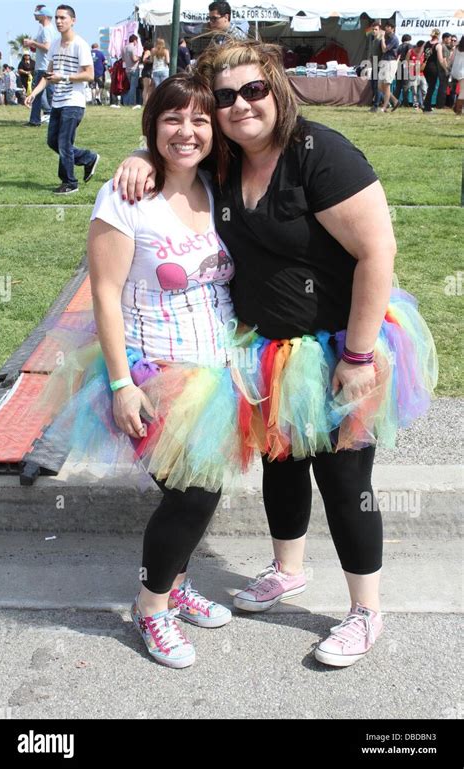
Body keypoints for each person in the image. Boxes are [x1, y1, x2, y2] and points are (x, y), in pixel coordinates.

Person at [113, 40, 437, 668]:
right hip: (265, 352)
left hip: (340, 345)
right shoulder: (227, 160)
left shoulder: (322, 154)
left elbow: (378, 253)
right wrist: (140, 155)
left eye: (254, 90)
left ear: (278, 89)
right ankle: (288, 569)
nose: (241, 105)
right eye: (225, 96)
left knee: (345, 480)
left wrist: (358, 357)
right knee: (282, 466)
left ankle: (365, 611)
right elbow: (178, 146)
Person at [26, 72, 251, 669]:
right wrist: (123, 384)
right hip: (153, 375)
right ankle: (151, 608)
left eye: (199, 119)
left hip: (219, 373)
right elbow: (103, 293)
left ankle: (174, 584)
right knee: (191, 497)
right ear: (152, 125)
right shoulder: (125, 198)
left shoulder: (217, 186)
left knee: (202, 491)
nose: (187, 131)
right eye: (172, 118)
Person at [25, 4, 100, 195]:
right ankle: (88, 158)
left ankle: (69, 183)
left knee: (64, 143)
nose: (59, 21)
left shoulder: (80, 45)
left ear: (73, 21)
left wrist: (64, 78)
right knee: (53, 141)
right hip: (57, 101)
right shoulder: (55, 45)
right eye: (57, 18)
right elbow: (48, 75)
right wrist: (34, 93)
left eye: (63, 18)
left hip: (73, 102)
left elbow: (89, 75)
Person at [24, 5, 57, 126]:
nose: (35, 16)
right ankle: (52, 117)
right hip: (47, 65)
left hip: (43, 66)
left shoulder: (46, 30)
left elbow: (47, 47)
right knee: (51, 94)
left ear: (44, 16)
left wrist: (32, 42)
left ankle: (35, 120)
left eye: (38, 14)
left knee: (37, 95)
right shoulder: (50, 29)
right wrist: (33, 45)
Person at [378, 21, 400, 112]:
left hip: (390, 62)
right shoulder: (388, 38)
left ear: (392, 28)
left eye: (388, 27)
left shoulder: (394, 38)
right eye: (386, 26)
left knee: (386, 85)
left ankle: (385, 106)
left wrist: (382, 38)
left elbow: (384, 49)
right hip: (384, 61)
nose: (386, 28)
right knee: (380, 86)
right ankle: (395, 101)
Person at [422, 29, 441, 112]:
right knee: (431, 87)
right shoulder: (438, 45)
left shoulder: (426, 43)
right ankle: (426, 106)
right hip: (433, 67)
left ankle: (426, 105)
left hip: (425, 67)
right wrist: (446, 68)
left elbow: (420, 55)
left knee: (430, 86)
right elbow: (440, 59)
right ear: (438, 35)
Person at [366, 21, 383, 112]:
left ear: (379, 30)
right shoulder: (373, 40)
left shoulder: (381, 40)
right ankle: (388, 101)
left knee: (377, 86)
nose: (374, 31)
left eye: (376, 29)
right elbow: (372, 53)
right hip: (374, 64)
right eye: (373, 29)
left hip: (380, 64)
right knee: (373, 85)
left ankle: (376, 105)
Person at [406, 40, 427, 109]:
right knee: (414, 90)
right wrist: (413, 66)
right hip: (413, 74)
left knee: (424, 90)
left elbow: (425, 62)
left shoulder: (424, 53)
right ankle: (416, 104)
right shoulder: (410, 52)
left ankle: (425, 104)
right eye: (422, 47)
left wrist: (421, 67)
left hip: (422, 74)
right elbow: (406, 62)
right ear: (418, 47)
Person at [394, 34, 412, 106]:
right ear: (409, 39)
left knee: (398, 86)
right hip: (405, 66)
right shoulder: (409, 46)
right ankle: (405, 102)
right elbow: (410, 54)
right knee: (405, 86)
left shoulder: (399, 47)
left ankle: (394, 101)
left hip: (398, 66)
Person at [121, 33, 140, 106]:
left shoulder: (124, 48)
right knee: (133, 87)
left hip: (127, 69)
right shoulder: (133, 48)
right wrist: (139, 58)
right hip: (134, 68)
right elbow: (134, 59)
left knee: (130, 86)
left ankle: (127, 102)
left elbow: (123, 59)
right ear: (135, 40)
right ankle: (131, 102)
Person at [436, 32, 452, 109]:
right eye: (449, 39)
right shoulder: (444, 47)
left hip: (442, 70)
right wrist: (446, 70)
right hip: (443, 70)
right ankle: (441, 105)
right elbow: (444, 60)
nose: (450, 40)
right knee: (443, 88)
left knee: (442, 87)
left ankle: (440, 104)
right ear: (445, 38)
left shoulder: (442, 46)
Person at [450, 35, 464, 116]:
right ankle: (457, 109)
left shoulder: (457, 47)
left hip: (455, 71)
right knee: (463, 91)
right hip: (462, 72)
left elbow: (451, 59)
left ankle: (457, 107)